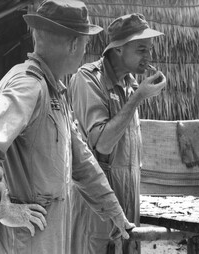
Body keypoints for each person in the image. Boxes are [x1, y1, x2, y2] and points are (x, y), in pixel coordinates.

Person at [0, 1, 135, 253]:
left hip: (47, 236)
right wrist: (2, 210)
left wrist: (114, 212)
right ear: (74, 44)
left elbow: (82, 161)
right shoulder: (28, 86)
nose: (85, 51)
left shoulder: (55, 92)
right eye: (85, 43)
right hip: (25, 241)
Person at [68, 13, 166, 254]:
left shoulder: (129, 84)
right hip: (97, 210)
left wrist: (136, 94)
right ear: (119, 49)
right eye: (142, 49)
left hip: (128, 203)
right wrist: (138, 98)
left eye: (150, 50)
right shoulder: (88, 79)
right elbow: (102, 145)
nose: (148, 57)